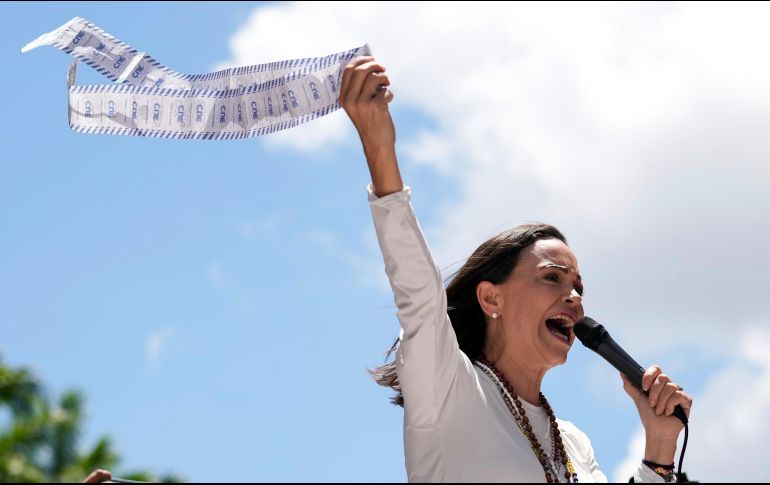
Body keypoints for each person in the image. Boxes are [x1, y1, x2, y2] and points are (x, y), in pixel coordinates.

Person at [339, 56, 693, 483]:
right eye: (552, 277)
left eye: (579, 286)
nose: (575, 297)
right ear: (491, 297)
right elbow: (418, 294)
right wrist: (379, 147)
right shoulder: (448, 389)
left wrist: (659, 448)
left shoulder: (573, 443)